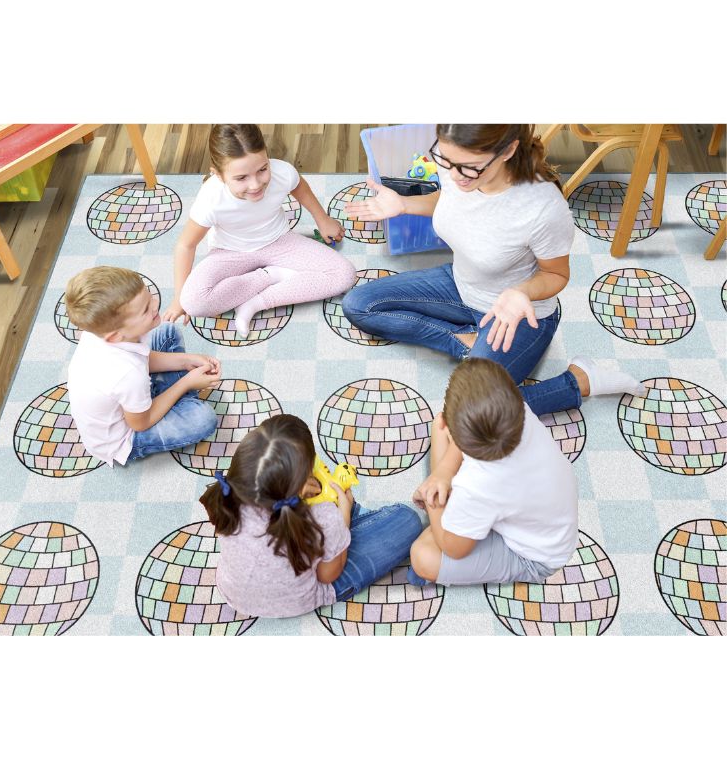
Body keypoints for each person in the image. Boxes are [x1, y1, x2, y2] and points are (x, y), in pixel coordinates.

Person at [341, 124, 645, 416]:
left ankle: (578, 381)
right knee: (359, 305)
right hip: (460, 284)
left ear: (508, 150)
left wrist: (521, 292)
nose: (455, 175)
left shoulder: (542, 208)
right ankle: (465, 341)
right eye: (447, 161)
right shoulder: (456, 166)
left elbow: (557, 275)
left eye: (470, 167)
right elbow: (450, 198)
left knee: (470, 409)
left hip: (518, 315)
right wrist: (405, 205)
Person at [200, 414, 423, 618]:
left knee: (337, 530)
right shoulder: (324, 516)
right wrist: (342, 516)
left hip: (235, 593)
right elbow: (328, 576)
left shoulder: (229, 498)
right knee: (407, 519)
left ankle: (350, 524)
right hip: (304, 596)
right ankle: (352, 518)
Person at [162, 124, 357, 338]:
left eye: (262, 170)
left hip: (280, 241)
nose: (255, 185)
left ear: (267, 159)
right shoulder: (211, 199)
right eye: (241, 178)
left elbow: (299, 187)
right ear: (218, 175)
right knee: (194, 303)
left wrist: (323, 219)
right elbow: (185, 245)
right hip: (229, 252)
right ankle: (269, 275)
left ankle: (255, 302)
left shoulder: (282, 172)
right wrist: (178, 297)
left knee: (344, 274)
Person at [408, 358, 578, 587]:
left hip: (535, 556)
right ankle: (449, 501)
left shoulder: (478, 486)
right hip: (541, 521)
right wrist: (444, 472)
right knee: (441, 423)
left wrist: (432, 500)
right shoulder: (518, 411)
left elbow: (454, 549)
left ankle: (440, 499)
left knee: (423, 556)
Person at [65, 265, 219, 466]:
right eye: (146, 309)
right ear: (115, 336)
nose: (155, 305)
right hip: (127, 436)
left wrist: (185, 360)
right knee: (203, 419)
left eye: (149, 296)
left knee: (167, 332)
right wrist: (187, 383)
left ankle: (170, 398)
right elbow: (140, 423)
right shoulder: (127, 373)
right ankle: (179, 397)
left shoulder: (101, 335)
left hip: (130, 392)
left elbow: (141, 357)